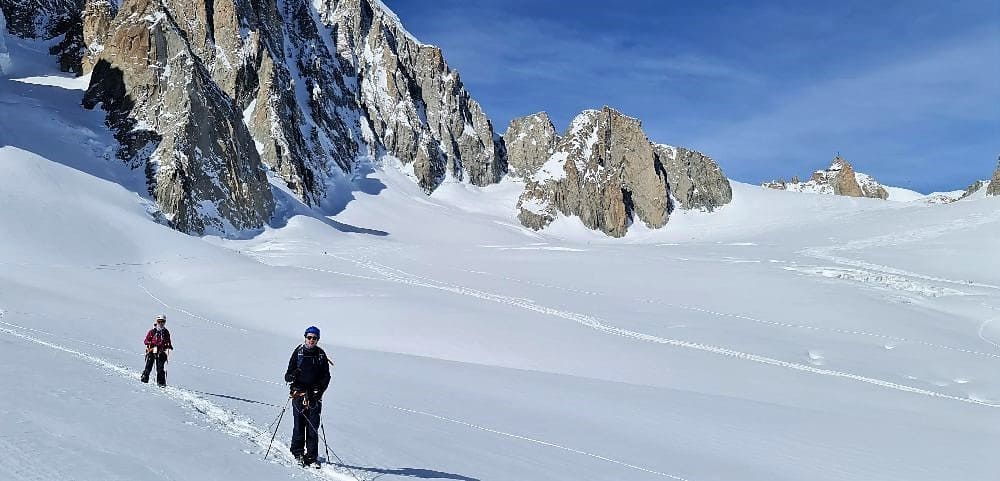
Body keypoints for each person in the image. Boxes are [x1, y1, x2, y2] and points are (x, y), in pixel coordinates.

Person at [283, 326, 331, 467]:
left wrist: (320, 391)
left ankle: (311, 456)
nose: (311, 340)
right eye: (309, 337)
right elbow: (287, 375)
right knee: (299, 425)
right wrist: (292, 375)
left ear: (318, 339)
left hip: (315, 396)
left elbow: (326, 376)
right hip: (299, 394)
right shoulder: (298, 352)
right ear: (305, 337)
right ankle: (297, 452)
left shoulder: (321, 355)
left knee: (312, 427)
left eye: (314, 338)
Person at [141, 314, 173, 386]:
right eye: (159, 321)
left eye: (163, 322)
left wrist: (169, 346)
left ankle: (161, 382)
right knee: (149, 365)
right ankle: (144, 378)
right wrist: (150, 343)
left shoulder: (166, 332)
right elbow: (146, 341)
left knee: (160, 367)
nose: (161, 323)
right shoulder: (152, 331)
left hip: (161, 350)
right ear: (157, 321)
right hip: (153, 349)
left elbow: (168, 341)